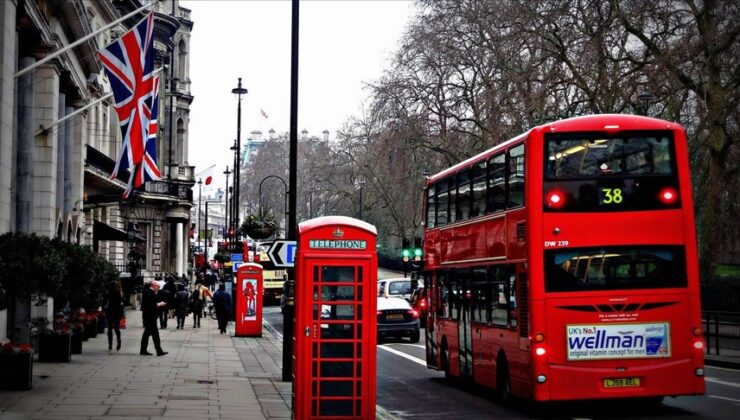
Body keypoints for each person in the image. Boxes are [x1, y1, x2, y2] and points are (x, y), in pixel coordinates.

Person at [140, 280, 168, 356]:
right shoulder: (150, 293)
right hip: (150, 316)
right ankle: (158, 350)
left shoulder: (147, 292)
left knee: (149, 333)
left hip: (148, 316)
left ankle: (146, 350)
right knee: (153, 334)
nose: (158, 288)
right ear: (154, 286)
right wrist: (160, 304)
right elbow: (152, 305)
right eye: (158, 287)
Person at [102, 281, 124, 351]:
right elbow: (124, 301)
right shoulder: (119, 292)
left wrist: (104, 308)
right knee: (116, 327)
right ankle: (118, 339)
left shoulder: (109, 293)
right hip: (118, 311)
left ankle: (110, 344)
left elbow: (104, 302)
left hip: (110, 311)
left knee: (110, 328)